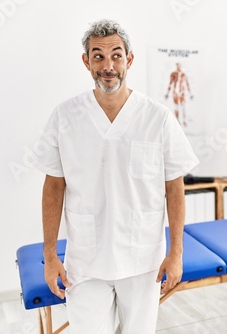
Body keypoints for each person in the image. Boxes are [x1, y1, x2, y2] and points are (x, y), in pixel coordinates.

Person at [33, 19, 199, 333]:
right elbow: (53, 186)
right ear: (86, 61)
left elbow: (174, 188)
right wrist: (50, 254)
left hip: (143, 261)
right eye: (98, 56)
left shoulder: (157, 118)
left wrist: (176, 253)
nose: (108, 65)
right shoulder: (65, 116)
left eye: (116, 55)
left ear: (129, 59)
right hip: (85, 261)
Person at [165, 62, 193, 127]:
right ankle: (177, 121)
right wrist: (167, 93)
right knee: (176, 107)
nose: (179, 67)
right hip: (175, 92)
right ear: (176, 66)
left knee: (183, 106)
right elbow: (170, 83)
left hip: (182, 92)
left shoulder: (183, 74)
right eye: (178, 65)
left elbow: (187, 84)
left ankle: (184, 120)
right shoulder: (173, 74)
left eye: (180, 65)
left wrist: (190, 94)